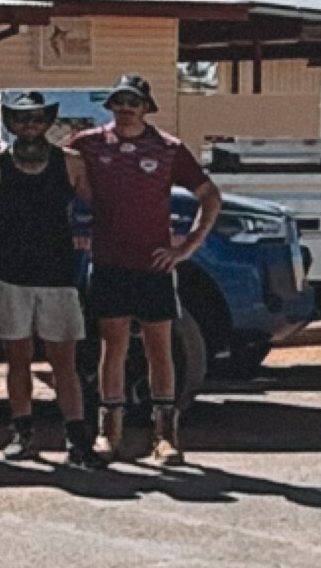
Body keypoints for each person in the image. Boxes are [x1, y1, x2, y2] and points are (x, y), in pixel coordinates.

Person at [69, 74, 219, 464]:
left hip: (153, 263)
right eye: (118, 100)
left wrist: (186, 247)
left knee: (160, 348)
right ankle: (109, 433)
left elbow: (209, 195)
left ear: (146, 107)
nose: (125, 107)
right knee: (112, 346)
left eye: (133, 101)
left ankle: (165, 435)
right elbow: (60, 171)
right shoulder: (87, 144)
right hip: (108, 261)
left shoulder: (167, 148)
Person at [0, 89, 85, 457]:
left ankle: (76, 436)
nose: (29, 124)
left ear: (47, 122)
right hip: (11, 271)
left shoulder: (70, 162)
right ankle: (21, 432)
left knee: (64, 362)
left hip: (58, 272)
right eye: (22, 118)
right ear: (10, 122)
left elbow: (92, 205)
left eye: (37, 118)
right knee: (18, 358)